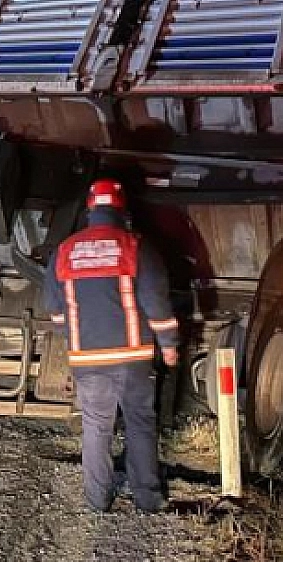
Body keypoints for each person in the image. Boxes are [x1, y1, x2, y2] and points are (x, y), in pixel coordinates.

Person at [42, 179, 180, 513]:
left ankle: (97, 500)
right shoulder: (135, 247)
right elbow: (157, 304)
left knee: (95, 427)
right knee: (139, 423)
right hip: (132, 359)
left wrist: (73, 338)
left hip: (86, 359)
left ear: (90, 209)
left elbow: (55, 310)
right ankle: (148, 498)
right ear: (121, 209)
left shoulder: (64, 251)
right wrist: (169, 345)